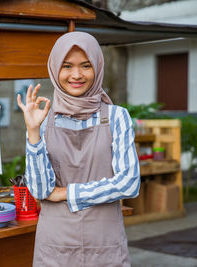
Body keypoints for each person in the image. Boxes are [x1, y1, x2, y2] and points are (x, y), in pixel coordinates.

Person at [17, 31, 140, 266]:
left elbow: (129, 183)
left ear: (97, 67)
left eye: (86, 66)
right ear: (55, 69)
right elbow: (41, 190)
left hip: (104, 245)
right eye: (67, 66)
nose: (76, 75)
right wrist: (33, 132)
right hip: (55, 247)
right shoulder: (41, 118)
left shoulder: (116, 116)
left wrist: (67, 193)